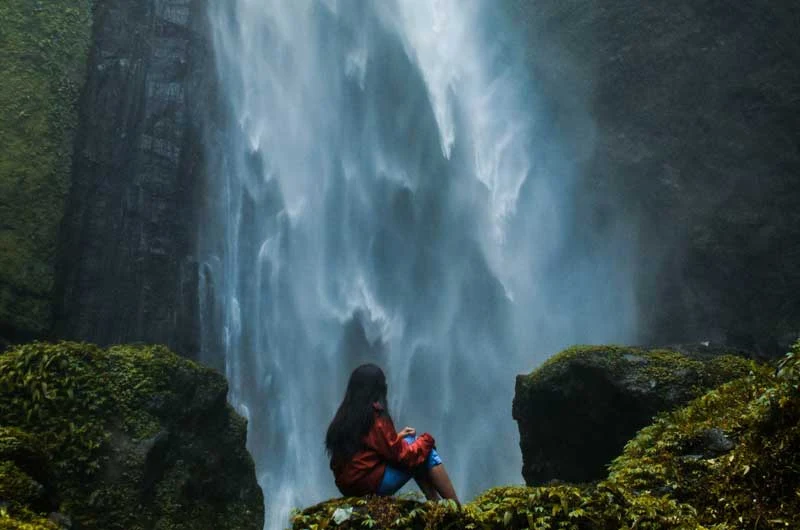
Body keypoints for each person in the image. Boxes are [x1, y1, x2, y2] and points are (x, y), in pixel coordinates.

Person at [325, 363, 460, 504]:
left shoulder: (344, 415)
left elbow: (367, 449)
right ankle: (457, 510)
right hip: (369, 485)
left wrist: (398, 437)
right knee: (426, 453)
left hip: (349, 486)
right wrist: (427, 440)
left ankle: (435, 502)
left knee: (416, 451)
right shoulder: (374, 417)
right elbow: (403, 456)